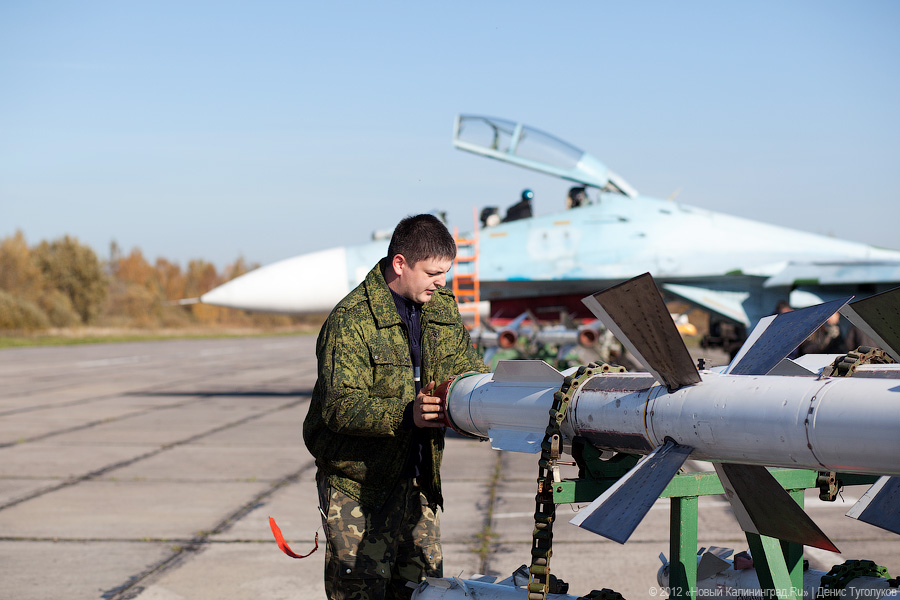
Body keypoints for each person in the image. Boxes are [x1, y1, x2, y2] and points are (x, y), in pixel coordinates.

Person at [303, 214, 489, 599]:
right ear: (400, 264)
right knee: (362, 592)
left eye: (446, 273)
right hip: (360, 489)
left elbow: (467, 367)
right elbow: (340, 405)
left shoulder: (441, 309)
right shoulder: (352, 320)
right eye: (433, 273)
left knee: (428, 593)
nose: (442, 282)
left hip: (419, 485)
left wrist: (486, 401)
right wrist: (408, 414)